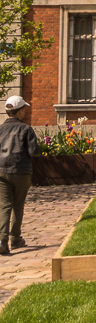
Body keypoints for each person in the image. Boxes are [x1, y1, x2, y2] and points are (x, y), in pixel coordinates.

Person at [0, 96, 39, 254]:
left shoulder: (0, 129)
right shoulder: (26, 129)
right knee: (18, 205)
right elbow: (33, 152)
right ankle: (15, 239)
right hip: (21, 171)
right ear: (20, 111)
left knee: (4, 206)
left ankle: (2, 241)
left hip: (1, 170)